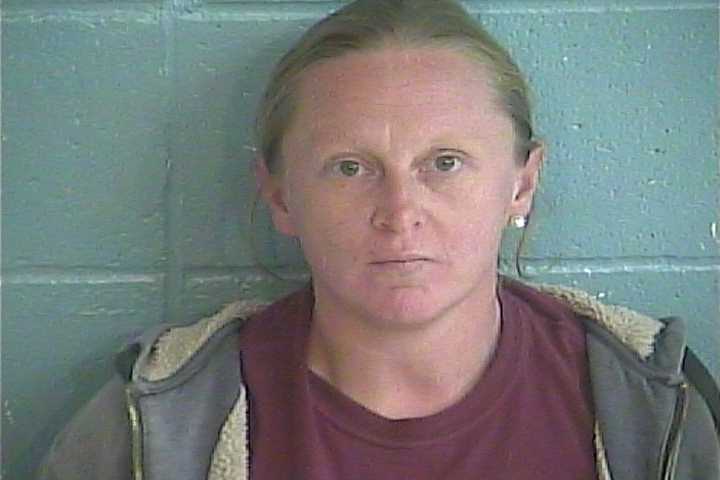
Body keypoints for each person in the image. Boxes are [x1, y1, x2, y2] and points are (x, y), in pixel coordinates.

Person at [39, 0, 719, 479]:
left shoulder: (652, 402)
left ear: (522, 184)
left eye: (444, 163)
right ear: (280, 195)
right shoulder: (156, 418)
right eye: (350, 168)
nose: (400, 213)